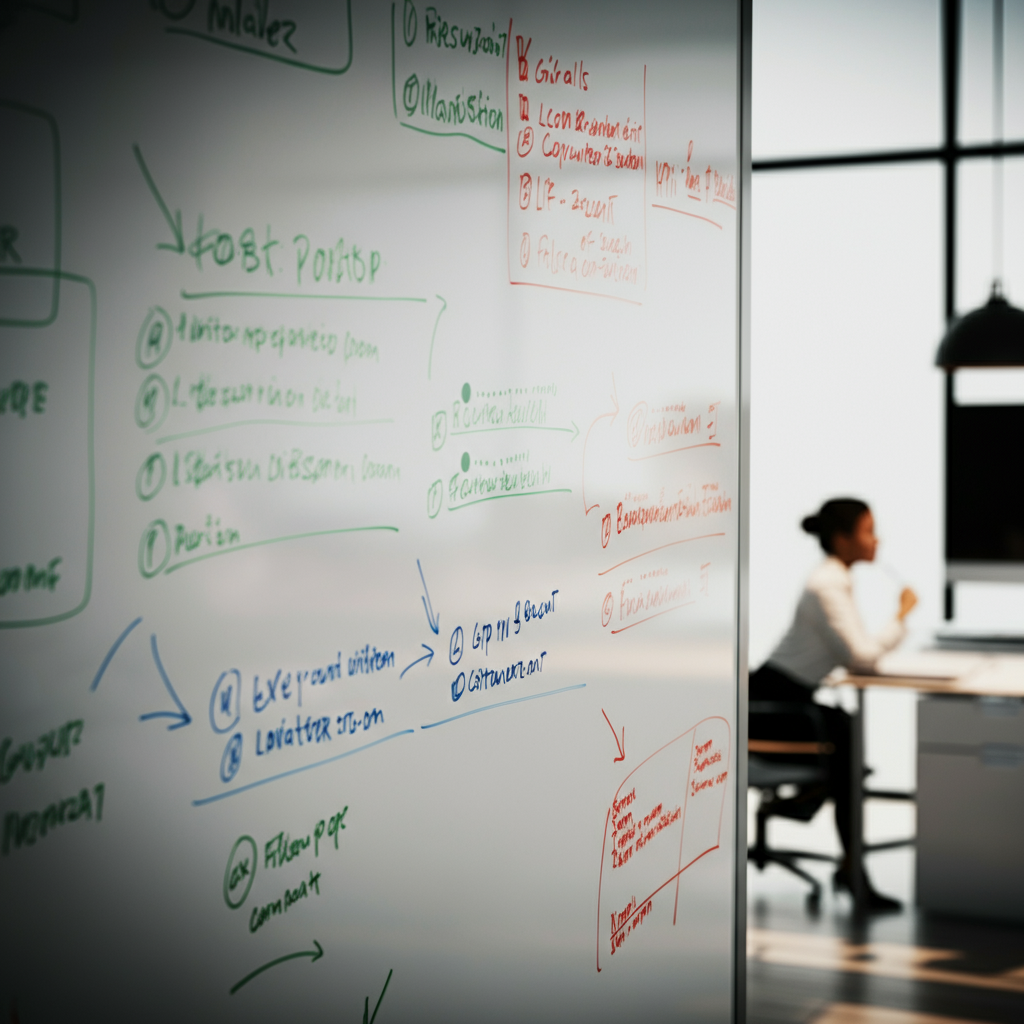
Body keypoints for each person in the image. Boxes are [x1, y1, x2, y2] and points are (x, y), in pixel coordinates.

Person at [750, 497, 917, 911]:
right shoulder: (827, 585)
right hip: (773, 704)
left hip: (786, 698)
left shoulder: (836, 579)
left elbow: (853, 654)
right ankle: (849, 866)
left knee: (845, 743)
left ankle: (822, 819)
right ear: (842, 539)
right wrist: (901, 616)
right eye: (868, 530)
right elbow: (861, 656)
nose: (876, 539)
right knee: (845, 742)